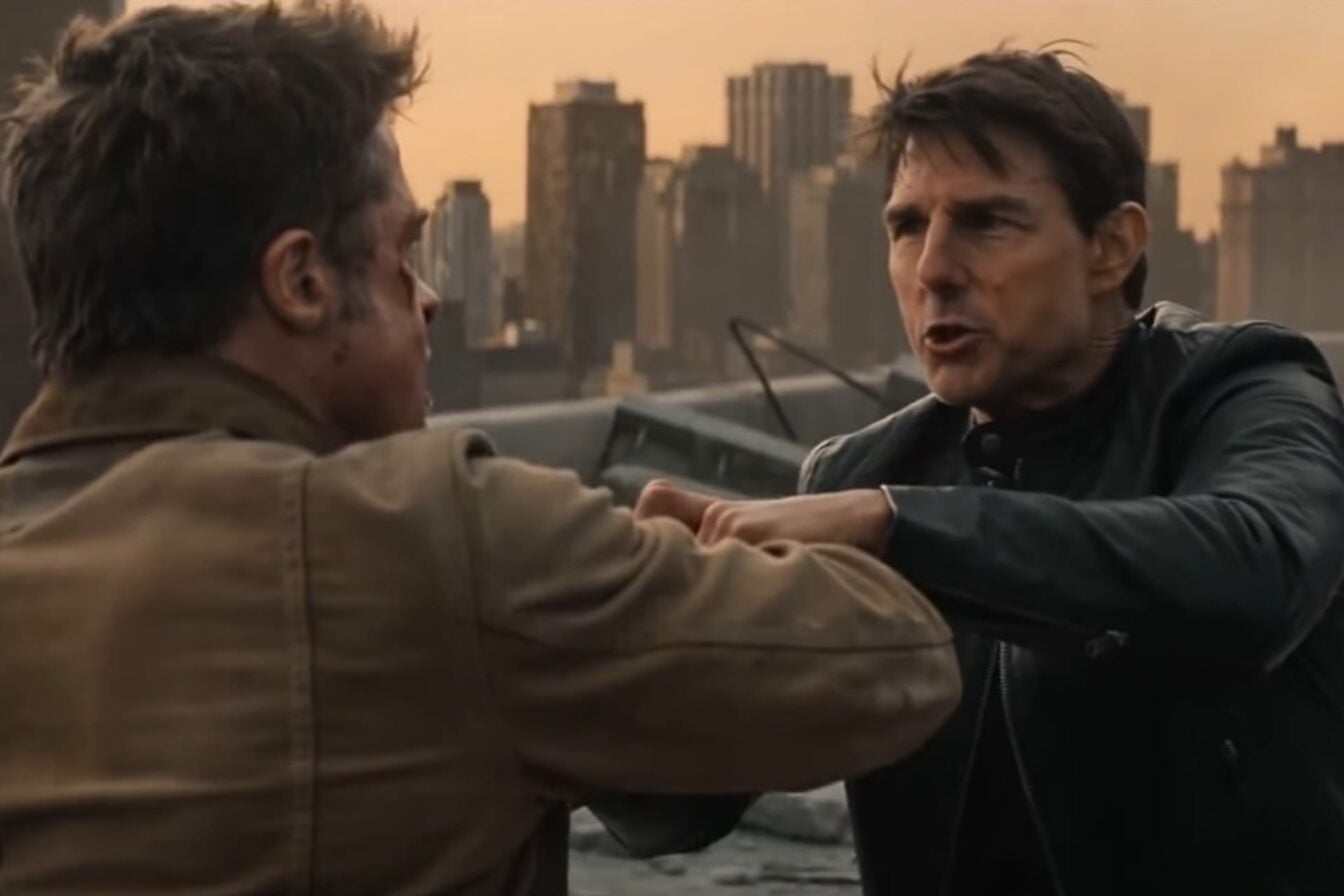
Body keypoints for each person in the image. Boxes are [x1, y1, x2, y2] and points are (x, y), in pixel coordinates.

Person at [0, 4, 963, 893]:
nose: (430, 301)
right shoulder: (428, 536)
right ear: (301, 282)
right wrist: (716, 552)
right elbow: (897, 663)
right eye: (403, 255)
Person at [613, 49, 1344, 895]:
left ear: (1112, 247)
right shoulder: (867, 469)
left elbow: (1256, 570)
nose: (933, 270)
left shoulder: (1242, 387)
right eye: (906, 227)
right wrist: (638, 636)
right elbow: (680, 806)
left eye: (986, 222)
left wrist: (894, 526)